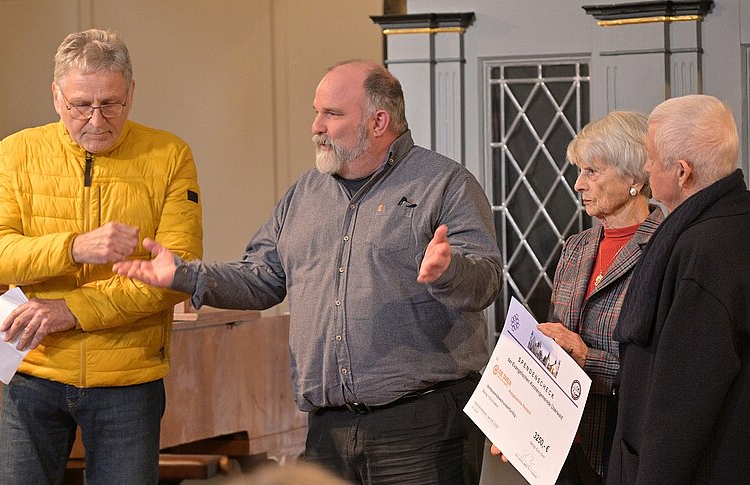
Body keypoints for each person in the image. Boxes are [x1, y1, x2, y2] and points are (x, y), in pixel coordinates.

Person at [114, 59, 502, 485]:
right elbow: (262, 278)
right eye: (316, 112)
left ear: (378, 121)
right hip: (327, 431)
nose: (316, 126)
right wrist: (184, 276)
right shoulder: (304, 194)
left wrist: (449, 270)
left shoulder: (444, 184)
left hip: (422, 427)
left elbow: (485, 281)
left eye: (332, 114)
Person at [0, 29, 203, 485]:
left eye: (111, 104)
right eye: (81, 105)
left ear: (131, 93)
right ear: (56, 97)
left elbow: (175, 274)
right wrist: (74, 247)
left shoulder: (169, 155)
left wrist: (70, 310)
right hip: (33, 371)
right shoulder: (16, 152)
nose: (97, 121)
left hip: (128, 381)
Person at [489, 111, 662, 484]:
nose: (578, 184)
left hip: (629, 449)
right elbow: (553, 351)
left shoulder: (667, 249)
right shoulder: (576, 247)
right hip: (562, 449)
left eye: (592, 172)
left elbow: (667, 371)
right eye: (580, 171)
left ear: (634, 178)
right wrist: (516, 421)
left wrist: (588, 359)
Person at [606, 94, 750, 484]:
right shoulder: (737, 223)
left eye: (652, 158)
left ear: (682, 172)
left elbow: (681, 403)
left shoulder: (702, 252)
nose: (646, 167)